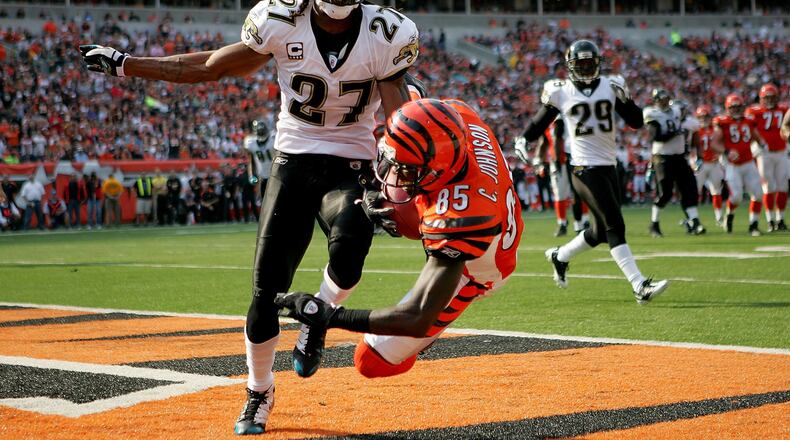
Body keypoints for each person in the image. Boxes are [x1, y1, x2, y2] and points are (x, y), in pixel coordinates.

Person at [80, 0, 419, 434]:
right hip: (293, 159)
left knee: (351, 244)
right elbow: (210, 66)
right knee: (265, 291)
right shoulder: (281, 20)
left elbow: (401, 119)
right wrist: (127, 65)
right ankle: (259, 389)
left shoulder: (384, 32)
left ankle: (317, 316)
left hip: (351, 160)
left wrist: (405, 187)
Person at [275, 98, 523, 380]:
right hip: (475, 202)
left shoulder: (462, 215)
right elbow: (419, 110)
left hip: (477, 268)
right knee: (404, 196)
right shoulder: (454, 115)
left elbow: (415, 317)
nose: (396, 177)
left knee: (371, 361)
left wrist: (329, 316)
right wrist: (375, 184)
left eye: (407, 170)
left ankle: (420, 344)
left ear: (437, 169)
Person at [514, 39, 668, 304]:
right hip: (583, 168)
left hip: (609, 166)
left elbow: (635, 122)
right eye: (580, 64)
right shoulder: (560, 91)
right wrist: (524, 139)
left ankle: (559, 256)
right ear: (571, 66)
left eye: (589, 63)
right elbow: (541, 121)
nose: (585, 68)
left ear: (597, 64)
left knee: (598, 232)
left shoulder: (611, 86)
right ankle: (638, 284)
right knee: (615, 225)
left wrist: (627, 100)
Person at [643, 89, 705, 237]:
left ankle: (694, 222)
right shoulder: (652, 113)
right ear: (656, 100)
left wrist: (699, 156)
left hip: (679, 157)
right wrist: (674, 134)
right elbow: (654, 137)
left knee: (690, 189)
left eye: (666, 98)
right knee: (665, 193)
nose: (664, 101)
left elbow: (694, 136)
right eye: (661, 99)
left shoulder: (677, 111)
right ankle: (654, 224)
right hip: (662, 158)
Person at [712, 93, 767, 236]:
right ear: (727, 108)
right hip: (732, 165)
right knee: (736, 197)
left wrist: (761, 143)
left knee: (758, 194)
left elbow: (755, 135)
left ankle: (753, 225)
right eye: (733, 107)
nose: (736, 109)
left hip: (749, 163)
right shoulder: (722, 122)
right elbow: (714, 143)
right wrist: (726, 151)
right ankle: (729, 215)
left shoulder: (749, 121)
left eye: (738, 106)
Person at [745, 84, 788, 232]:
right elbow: (747, 129)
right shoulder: (753, 111)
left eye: (772, 97)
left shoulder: (784, 109)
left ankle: (780, 219)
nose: (769, 100)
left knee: (783, 186)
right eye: (767, 97)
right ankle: (770, 220)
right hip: (764, 153)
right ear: (761, 98)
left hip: (782, 151)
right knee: (769, 186)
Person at [691, 105, 725, 225]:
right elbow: (690, 148)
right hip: (700, 164)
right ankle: (693, 218)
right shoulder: (695, 131)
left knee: (717, 191)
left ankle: (719, 217)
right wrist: (693, 161)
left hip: (714, 163)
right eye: (701, 117)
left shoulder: (715, 130)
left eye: (706, 116)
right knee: (695, 192)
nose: (704, 119)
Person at [243, 119, 274, 196]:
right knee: (264, 202)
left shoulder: (274, 138)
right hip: (262, 176)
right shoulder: (250, 142)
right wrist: (251, 174)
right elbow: (251, 159)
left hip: (275, 176)